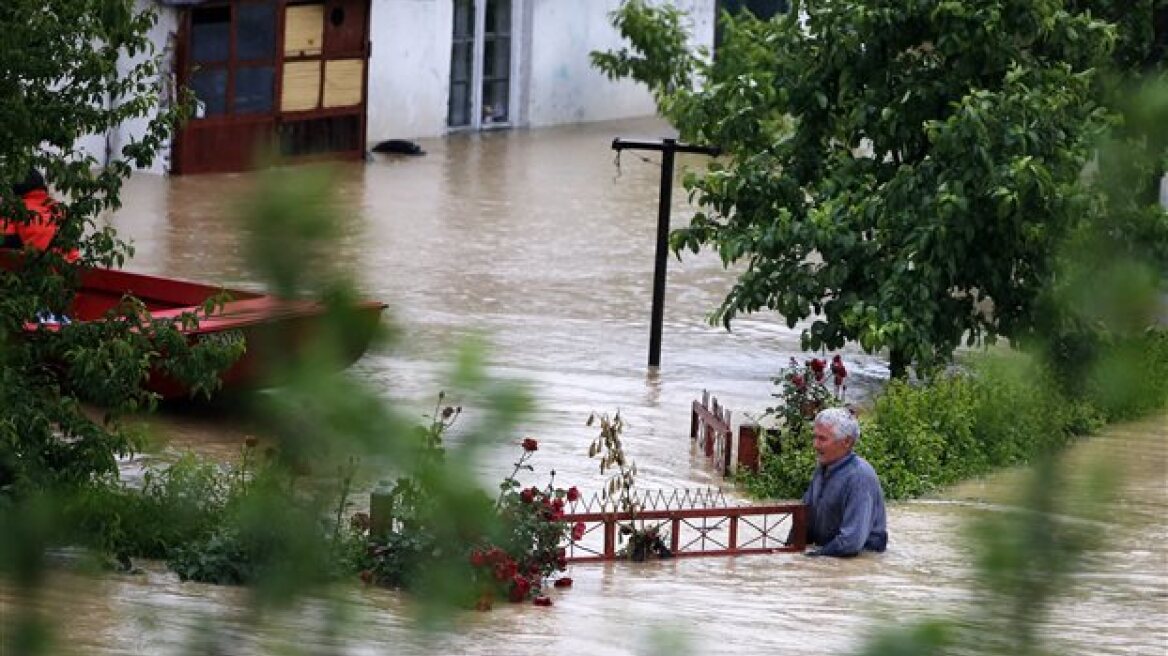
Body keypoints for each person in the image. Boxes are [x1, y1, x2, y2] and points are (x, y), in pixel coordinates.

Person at [799, 407, 888, 557]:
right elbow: (803, 520)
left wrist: (812, 559)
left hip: (859, 561)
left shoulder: (859, 476)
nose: (815, 445)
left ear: (847, 442)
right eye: (814, 437)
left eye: (822, 439)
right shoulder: (822, 468)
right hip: (829, 553)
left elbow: (851, 543)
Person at [2, 168, 79, 264]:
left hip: (37, 271)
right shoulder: (61, 209)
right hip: (72, 270)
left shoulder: (15, 210)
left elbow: (4, 246)